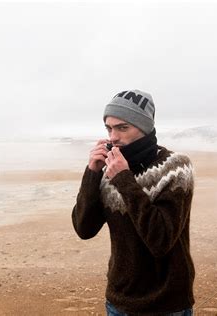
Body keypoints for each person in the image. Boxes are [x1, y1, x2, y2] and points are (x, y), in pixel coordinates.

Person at [72, 90, 195, 316]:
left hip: (167, 304)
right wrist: (92, 173)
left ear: (145, 128)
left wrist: (123, 179)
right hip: (119, 301)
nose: (113, 137)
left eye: (122, 127)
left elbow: (161, 240)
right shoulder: (109, 168)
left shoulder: (176, 167)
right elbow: (84, 228)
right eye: (109, 128)